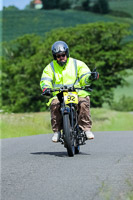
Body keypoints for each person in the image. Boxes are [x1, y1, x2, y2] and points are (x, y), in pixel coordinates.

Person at [40, 41, 99, 142]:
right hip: (59, 94)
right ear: (55, 57)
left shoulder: (77, 63)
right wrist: (46, 88)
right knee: (54, 105)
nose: (61, 57)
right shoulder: (50, 67)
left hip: (78, 92)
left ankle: (86, 129)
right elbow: (46, 80)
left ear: (67, 54)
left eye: (63, 55)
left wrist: (90, 77)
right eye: (58, 56)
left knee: (83, 104)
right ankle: (57, 131)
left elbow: (84, 76)